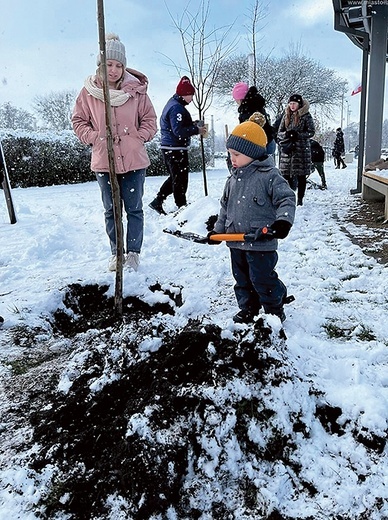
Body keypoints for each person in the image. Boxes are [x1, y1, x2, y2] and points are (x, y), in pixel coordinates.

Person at [72, 33, 157, 272]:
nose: (114, 70)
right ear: (100, 65)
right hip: (103, 161)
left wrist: (139, 137)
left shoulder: (137, 91)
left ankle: (132, 253)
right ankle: (116, 253)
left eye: (119, 65)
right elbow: (79, 120)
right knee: (111, 210)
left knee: (134, 209)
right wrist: (94, 138)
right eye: (109, 64)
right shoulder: (88, 92)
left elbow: (150, 119)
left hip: (133, 161)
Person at [208, 113, 296, 324]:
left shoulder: (270, 176)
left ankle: (274, 306)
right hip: (235, 241)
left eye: (236, 154)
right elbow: (225, 208)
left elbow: (286, 199)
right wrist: (218, 231)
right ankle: (248, 308)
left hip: (260, 241)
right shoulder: (232, 180)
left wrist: (282, 222)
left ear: (253, 153)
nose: (232, 159)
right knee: (242, 280)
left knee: (262, 278)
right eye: (230, 153)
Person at [148, 77, 207, 215]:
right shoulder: (177, 108)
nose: (192, 98)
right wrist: (196, 130)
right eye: (191, 95)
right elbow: (178, 131)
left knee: (176, 177)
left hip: (171, 147)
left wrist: (192, 124)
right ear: (184, 94)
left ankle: (159, 201)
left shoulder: (174, 104)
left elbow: (178, 126)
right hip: (174, 148)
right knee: (180, 179)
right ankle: (181, 206)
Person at [277, 94, 315, 206]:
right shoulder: (286, 116)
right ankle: (288, 198)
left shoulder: (306, 116)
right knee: (285, 176)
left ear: (299, 104)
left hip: (301, 151)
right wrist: (287, 134)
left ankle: (300, 199)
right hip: (288, 150)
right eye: (290, 103)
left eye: (294, 103)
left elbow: (311, 132)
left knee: (301, 176)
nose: (292, 106)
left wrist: (298, 135)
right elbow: (279, 132)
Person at [231, 82, 276, 154]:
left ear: (240, 98)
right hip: (268, 141)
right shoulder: (256, 105)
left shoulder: (248, 111)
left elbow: (249, 132)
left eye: (236, 99)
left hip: (260, 146)